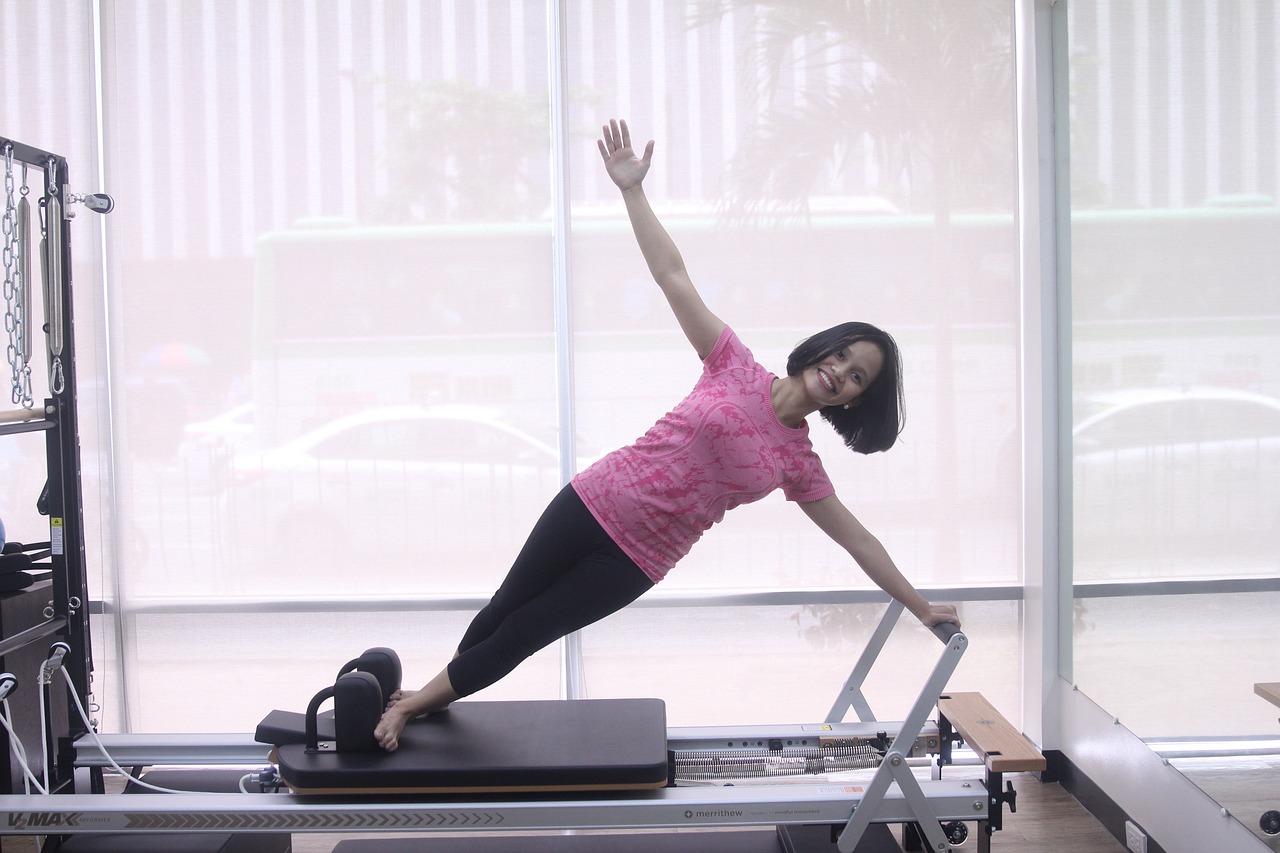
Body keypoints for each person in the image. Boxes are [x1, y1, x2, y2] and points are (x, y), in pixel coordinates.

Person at [374, 119, 959, 752]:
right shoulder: (733, 363)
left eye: (857, 378)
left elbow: (861, 541)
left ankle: (410, 710)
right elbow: (672, 275)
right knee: (499, 612)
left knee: (525, 631)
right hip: (590, 500)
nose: (840, 373)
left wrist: (922, 606)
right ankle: (433, 700)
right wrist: (631, 191)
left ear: (853, 399)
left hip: (637, 559)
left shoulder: (799, 461)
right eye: (844, 356)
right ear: (824, 346)